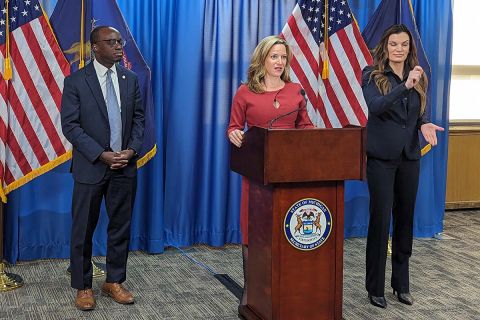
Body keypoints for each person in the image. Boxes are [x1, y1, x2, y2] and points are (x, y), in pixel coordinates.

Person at [227, 35, 314, 311]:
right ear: (262, 58)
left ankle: (284, 289)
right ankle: (251, 292)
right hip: (256, 175)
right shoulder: (245, 92)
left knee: (285, 231)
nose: (279, 62)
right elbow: (233, 127)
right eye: (274, 56)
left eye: (283, 57)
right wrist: (234, 134)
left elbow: (306, 127)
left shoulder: (296, 90)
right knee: (253, 233)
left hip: (289, 175)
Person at [61, 26, 144, 311]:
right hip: (91, 167)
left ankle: (114, 281)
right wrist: (102, 154)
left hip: (125, 166)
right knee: (83, 229)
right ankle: (84, 286)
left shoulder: (130, 79)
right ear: (95, 47)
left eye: (120, 42)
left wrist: (131, 151)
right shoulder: (75, 82)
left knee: (120, 227)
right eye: (112, 42)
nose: (119, 46)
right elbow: (70, 126)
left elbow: (139, 120)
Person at [361, 24, 444, 309]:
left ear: (410, 48)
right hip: (381, 159)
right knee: (381, 220)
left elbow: (417, 114)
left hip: (409, 157)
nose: (399, 49)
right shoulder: (371, 75)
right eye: (394, 44)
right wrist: (404, 86)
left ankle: (401, 284)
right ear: (385, 46)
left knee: (405, 220)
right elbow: (377, 107)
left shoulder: (419, 77)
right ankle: (375, 287)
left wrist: (425, 123)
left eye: (404, 45)